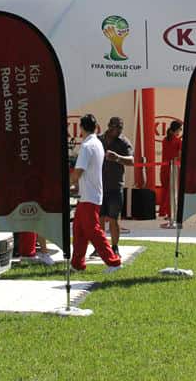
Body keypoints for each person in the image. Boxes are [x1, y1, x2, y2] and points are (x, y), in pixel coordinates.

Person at [70, 114, 121, 272]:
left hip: (89, 197)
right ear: (96, 127)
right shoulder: (97, 143)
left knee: (93, 231)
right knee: (78, 230)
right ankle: (77, 264)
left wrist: (68, 183)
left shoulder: (86, 146)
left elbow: (78, 171)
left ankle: (114, 262)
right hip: (90, 195)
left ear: (81, 128)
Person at [99, 116, 133, 256]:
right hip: (99, 185)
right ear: (109, 126)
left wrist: (117, 157)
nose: (118, 130)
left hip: (115, 185)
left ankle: (114, 247)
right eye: (115, 127)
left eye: (120, 127)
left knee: (114, 218)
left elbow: (131, 160)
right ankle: (100, 246)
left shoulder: (123, 142)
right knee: (100, 218)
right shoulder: (99, 140)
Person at [159, 120, 183, 227]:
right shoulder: (178, 141)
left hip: (164, 168)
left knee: (165, 191)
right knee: (172, 192)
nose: (180, 131)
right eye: (180, 129)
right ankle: (171, 215)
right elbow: (179, 156)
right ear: (177, 129)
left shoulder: (165, 140)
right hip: (173, 168)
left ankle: (166, 213)